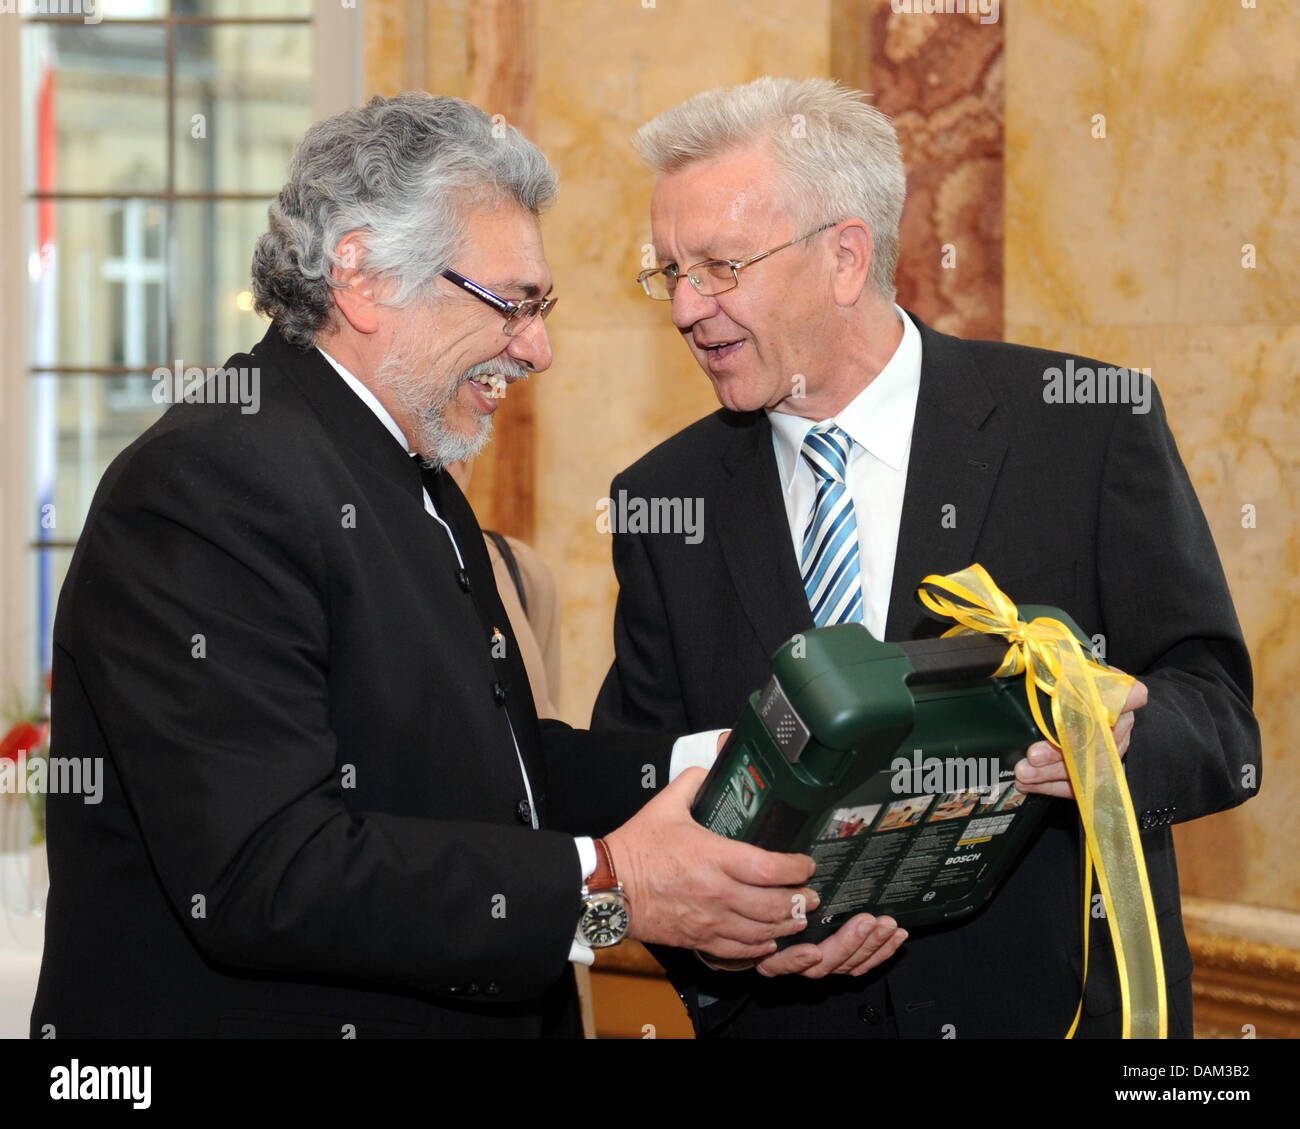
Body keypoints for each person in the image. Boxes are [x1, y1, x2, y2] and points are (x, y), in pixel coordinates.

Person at [30, 92, 908, 1039]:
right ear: (361, 277)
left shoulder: (403, 467)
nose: (538, 347)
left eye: (544, 307)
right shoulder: (204, 483)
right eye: (511, 304)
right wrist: (612, 880)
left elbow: (504, 774)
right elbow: (269, 871)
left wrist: (728, 761)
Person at [591, 76, 1261, 1039]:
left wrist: (1118, 743)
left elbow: (1221, 719)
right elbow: (644, 774)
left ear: (845, 256)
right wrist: (727, 939)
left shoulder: (1084, 427)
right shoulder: (665, 497)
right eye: (669, 272)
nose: (687, 309)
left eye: (721, 267)